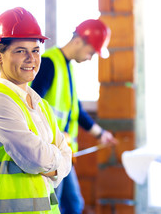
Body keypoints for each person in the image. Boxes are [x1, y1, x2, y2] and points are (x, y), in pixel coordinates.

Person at [0, 7, 72, 214]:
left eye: (36, 50)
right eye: (21, 51)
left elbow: (66, 156)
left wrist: (56, 161)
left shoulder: (41, 105)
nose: (31, 58)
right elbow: (36, 158)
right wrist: (57, 160)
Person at [31, 19, 118, 214]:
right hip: (50, 153)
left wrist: (100, 134)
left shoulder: (67, 67)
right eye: (91, 52)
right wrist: (55, 134)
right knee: (57, 206)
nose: (90, 58)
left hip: (62, 153)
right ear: (79, 41)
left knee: (73, 205)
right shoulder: (49, 64)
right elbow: (31, 107)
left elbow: (76, 110)